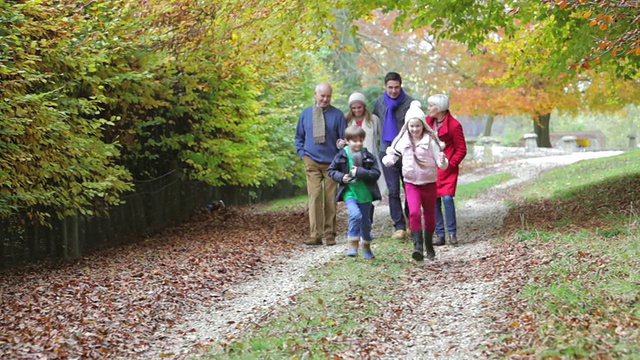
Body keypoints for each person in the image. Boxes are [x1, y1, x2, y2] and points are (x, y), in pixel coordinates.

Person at [382, 101, 448, 261]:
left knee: (430, 216)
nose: (414, 129)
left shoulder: (430, 140)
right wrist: (388, 160)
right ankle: (417, 246)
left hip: (429, 183)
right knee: (414, 212)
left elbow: (441, 163)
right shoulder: (403, 139)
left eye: (417, 126)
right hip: (411, 183)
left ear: (423, 125)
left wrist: (442, 161)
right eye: (411, 126)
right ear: (407, 126)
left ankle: (428, 244)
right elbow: (393, 154)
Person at [295, 82, 347, 246]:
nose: (325, 99)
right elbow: (298, 137)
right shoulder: (305, 114)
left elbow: (344, 140)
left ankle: (329, 234)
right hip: (311, 160)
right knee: (315, 196)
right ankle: (315, 235)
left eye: (328, 96)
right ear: (315, 94)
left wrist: (340, 153)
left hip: (331, 163)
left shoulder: (337, 115)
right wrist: (302, 154)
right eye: (322, 96)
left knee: (330, 198)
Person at [328, 126, 382, 259]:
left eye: (360, 140)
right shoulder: (341, 155)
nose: (358, 143)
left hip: (365, 194)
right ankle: (352, 243)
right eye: (354, 141)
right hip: (349, 192)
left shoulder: (368, 156)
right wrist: (341, 177)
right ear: (347, 141)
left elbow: (376, 173)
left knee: (365, 222)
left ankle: (366, 247)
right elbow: (331, 170)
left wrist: (361, 172)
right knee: (355, 214)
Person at [372, 72, 414, 240]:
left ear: (401, 85)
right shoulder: (379, 102)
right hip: (386, 150)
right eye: (390, 87)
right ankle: (399, 226)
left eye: (397, 87)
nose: (394, 91)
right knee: (393, 190)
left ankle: (411, 221)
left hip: (406, 151)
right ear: (385, 87)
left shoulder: (410, 103)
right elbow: (372, 123)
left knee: (409, 187)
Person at [425, 94, 467, 246]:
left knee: (447, 199)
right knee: (433, 200)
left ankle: (452, 234)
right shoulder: (427, 123)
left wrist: (451, 164)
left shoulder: (454, 125)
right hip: (431, 168)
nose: (428, 109)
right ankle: (440, 235)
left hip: (447, 167)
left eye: (431, 106)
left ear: (440, 108)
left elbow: (461, 149)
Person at [345, 91, 384, 225]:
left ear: (364, 106)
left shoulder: (374, 120)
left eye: (359, 107)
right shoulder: (347, 121)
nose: (356, 110)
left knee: (371, 188)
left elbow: (380, 138)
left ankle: (368, 220)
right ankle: (361, 219)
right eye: (353, 108)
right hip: (354, 158)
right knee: (358, 188)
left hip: (370, 158)